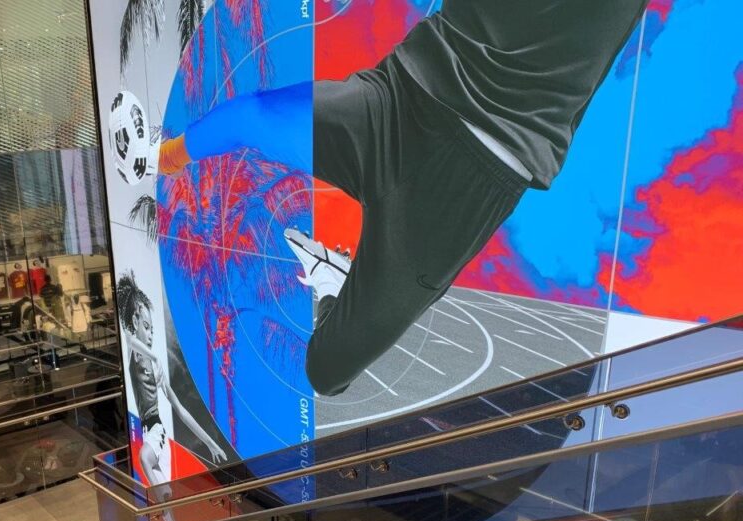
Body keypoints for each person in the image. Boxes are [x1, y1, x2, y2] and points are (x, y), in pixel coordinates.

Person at [158, 0, 648, 396]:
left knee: (325, 372)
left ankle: (333, 282)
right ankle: (166, 156)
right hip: (404, 95)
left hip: (465, 185)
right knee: (251, 117)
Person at [116, 271, 227, 486]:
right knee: (164, 501)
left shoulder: (156, 370)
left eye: (152, 330)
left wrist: (211, 443)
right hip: (148, 435)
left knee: (145, 461)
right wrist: (154, 357)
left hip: (156, 432)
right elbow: (129, 340)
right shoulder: (135, 352)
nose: (150, 335)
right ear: (135, 321)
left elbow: (181, 411)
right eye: (146, 327)